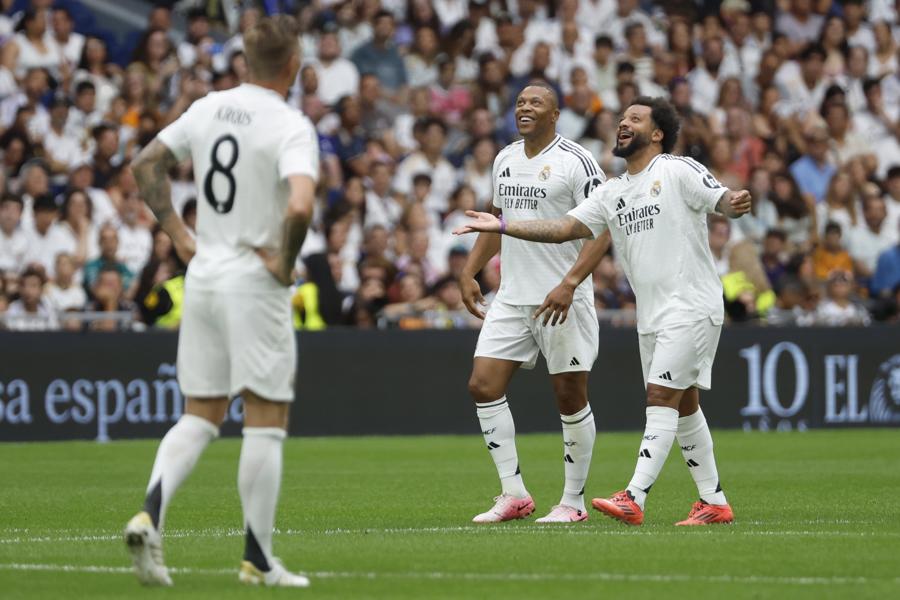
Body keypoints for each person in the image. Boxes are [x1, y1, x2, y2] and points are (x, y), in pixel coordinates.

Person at [456, 96, 752, 526]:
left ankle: (634, 496)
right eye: (623, 117)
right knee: (684, 403)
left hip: (691, 305)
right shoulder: (615, 191)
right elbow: (562, 228)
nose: (623, 122)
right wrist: (502, 225)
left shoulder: (676, 168)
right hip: (653, 314)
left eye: (635, 118)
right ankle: (714, 500)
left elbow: (719, 197)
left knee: (660, 397)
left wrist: (732, 202)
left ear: (657, 133)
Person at [123, 15, 319, 588]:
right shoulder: (290, 124)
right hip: (253, 284)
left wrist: (181, 238)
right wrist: (284, 264)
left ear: (245, 62)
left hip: (204, 276)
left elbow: (145, 163)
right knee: (266, 418)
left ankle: (149, 514)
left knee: (199, 413)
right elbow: (301, 204)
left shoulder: (209, 106)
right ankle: (257, 560)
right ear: (291, 67)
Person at [459, 84, 609, 524]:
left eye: (535, 103)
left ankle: (573, 503)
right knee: (482, 385)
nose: (524, 107)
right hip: (513, 295)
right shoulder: (504, 158)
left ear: (555, 114)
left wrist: (570, 282)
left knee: (568, 396)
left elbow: (602, 229)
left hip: (562, 296)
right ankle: (513, 494)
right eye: (520, 102)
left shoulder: (576, 162)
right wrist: (469, 271)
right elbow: (495, 221)